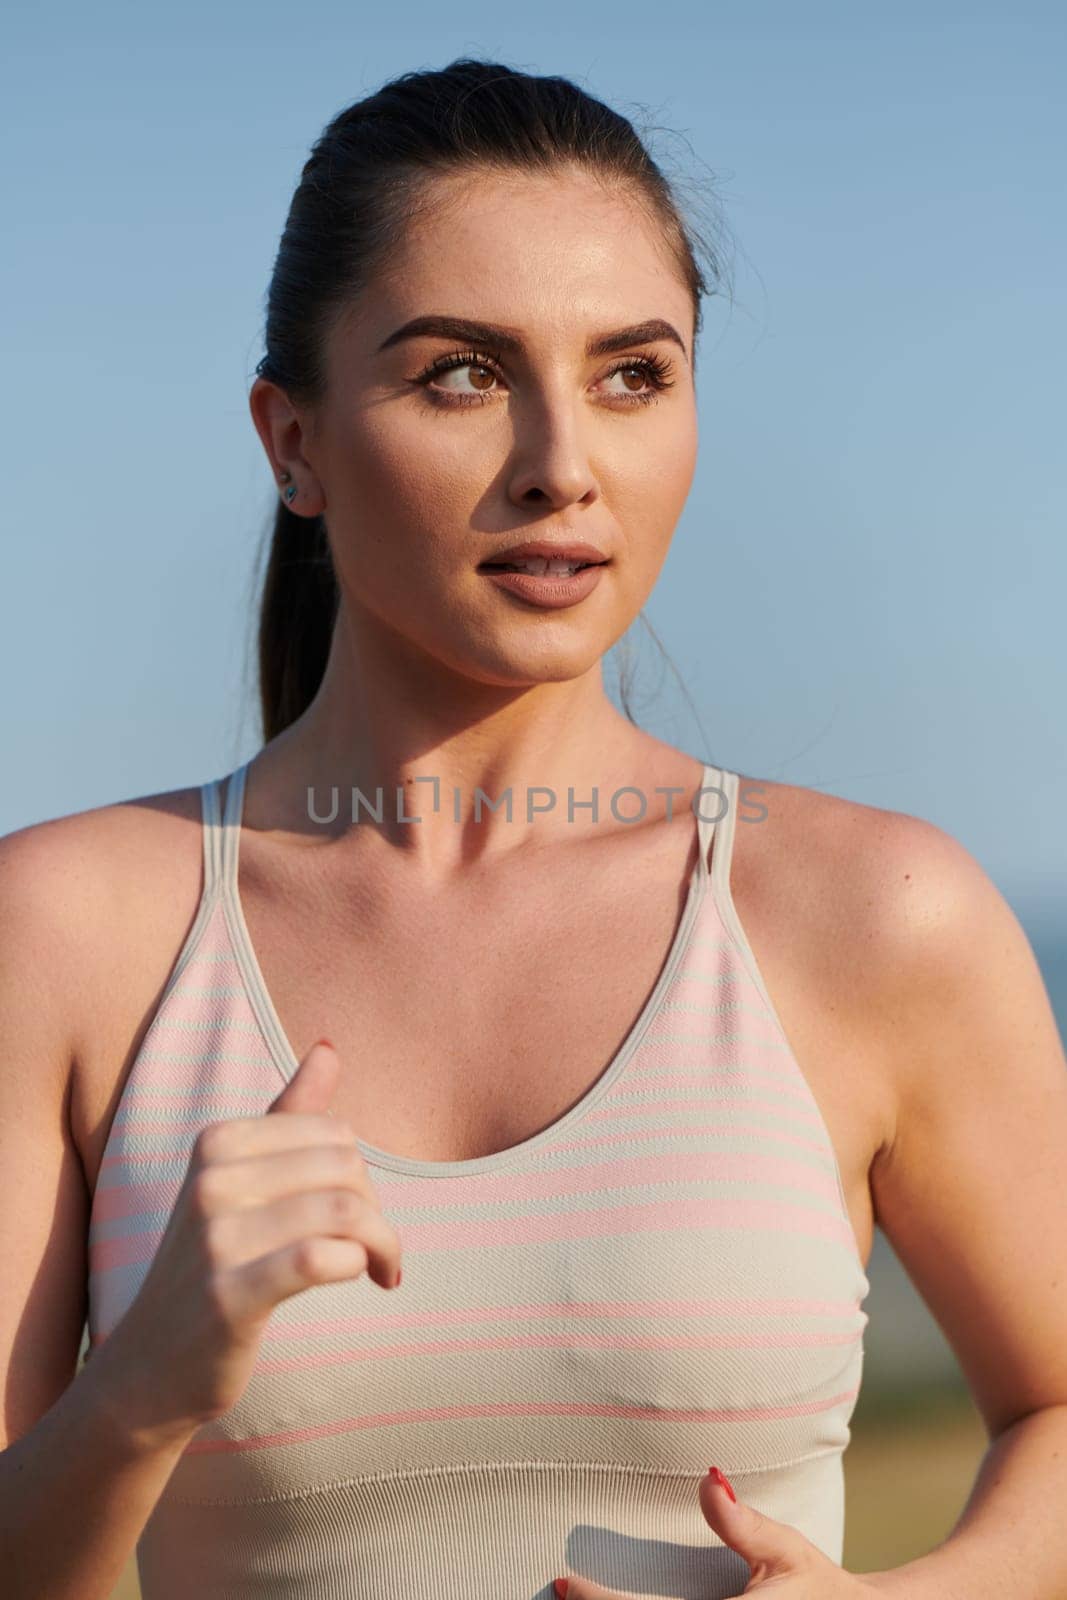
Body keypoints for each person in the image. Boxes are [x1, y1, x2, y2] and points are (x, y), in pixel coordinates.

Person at [2, 56, 1066, 1600]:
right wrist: (143, 1386)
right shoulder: (66, 936)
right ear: (290, 443)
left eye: (634, 374)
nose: (563, 466)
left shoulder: (878, 914)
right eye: (462, 374)